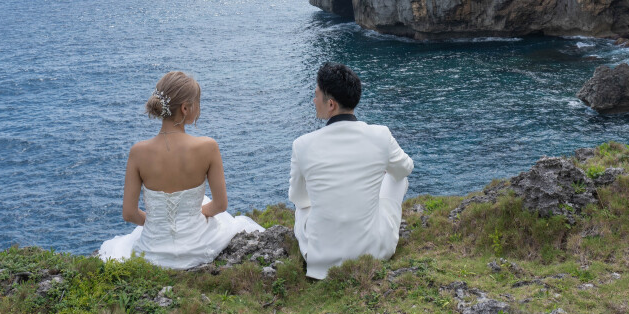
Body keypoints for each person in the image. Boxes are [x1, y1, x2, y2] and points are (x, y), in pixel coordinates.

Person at [98, 71, 262, 268]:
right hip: (197, 247)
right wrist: (192, 216)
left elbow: (129, 213)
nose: (199, 108)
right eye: (197, 103)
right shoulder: (208, 147)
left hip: (152, 251)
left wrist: (159, 223)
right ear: (185, 108)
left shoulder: (138, 152)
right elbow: (220, 205)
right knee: (210, 206)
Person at [288, 62, 414, 279]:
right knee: (397, 178)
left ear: (331, 105)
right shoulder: (380, 135)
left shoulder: (302, 145)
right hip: (374, 253)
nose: (313, 100)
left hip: (320, 260)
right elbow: (405, 168)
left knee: (302, 207)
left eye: (316, 95)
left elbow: (298, 198)